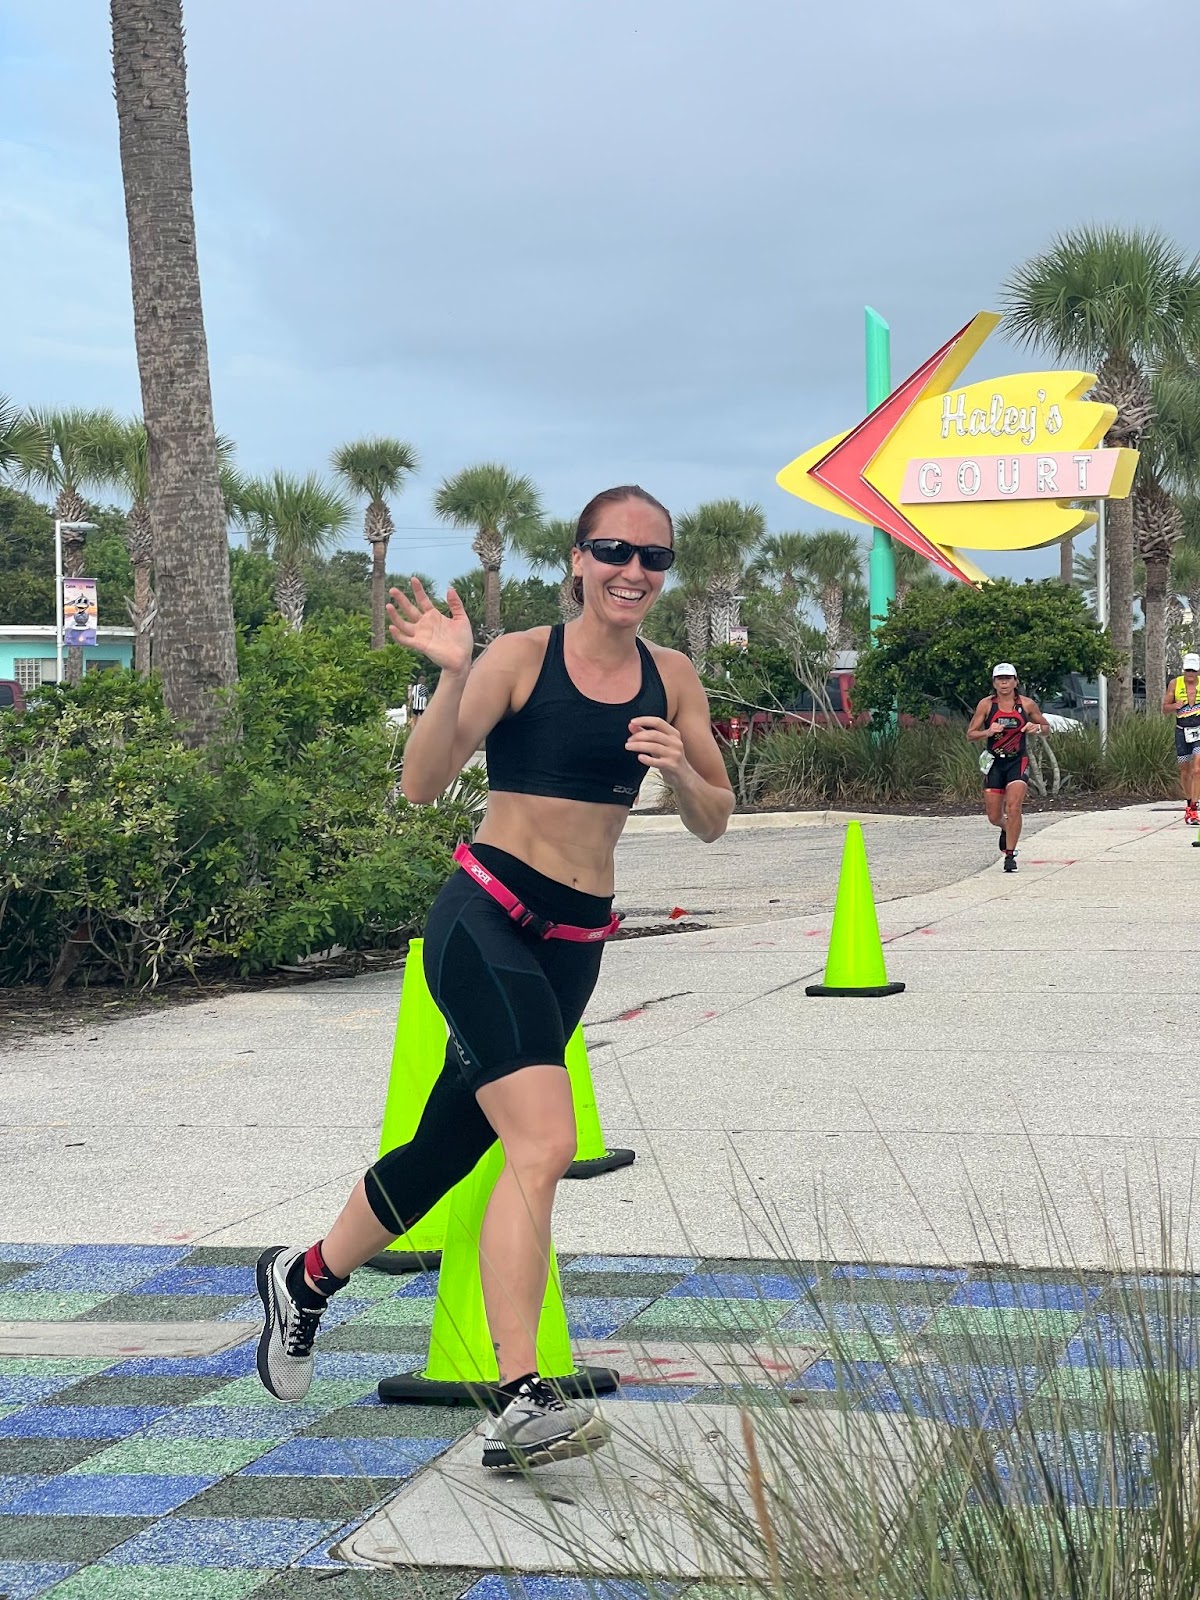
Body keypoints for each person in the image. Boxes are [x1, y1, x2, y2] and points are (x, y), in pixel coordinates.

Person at [253, 486, 733, 1469]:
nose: (633, 570)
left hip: (576, 945)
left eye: (654, 557)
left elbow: (716, 814)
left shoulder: (673, 677)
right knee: (545, 1141)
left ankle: (302, 1281)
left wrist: (682, 770)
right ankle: (520, 1396)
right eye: (614, 550)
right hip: (484, 920)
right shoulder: (520, 659)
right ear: (578, 557)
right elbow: (422, 784)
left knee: (444, 1149)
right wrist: (450, 673)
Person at [966, 663, 1049, 873]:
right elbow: (970, 734)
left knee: (1013, 807)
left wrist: (1036, 728)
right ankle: (1006, 827)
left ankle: (1010, 855)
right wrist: (988, 732)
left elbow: (1047, 728)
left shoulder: (1027, 704)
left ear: (1015, 681)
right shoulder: (986, 705)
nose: (1004, 683)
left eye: (1008, 679)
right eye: (1000, 679)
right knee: (994, 816)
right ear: (994, 683)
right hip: (994, 762)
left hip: (1017, 761)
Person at [1163, 652, 1200, 824]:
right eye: (1188, 670)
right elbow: (1164, 708)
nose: (1190, 674)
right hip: (1181, 731)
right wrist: (1174, 706)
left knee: (1197, 769)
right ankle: (1188, 805)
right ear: (1183, 670)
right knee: (1185, 772)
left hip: (1199, 730)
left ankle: (1194, 807)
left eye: (1193, 670)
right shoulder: (1175, 684)